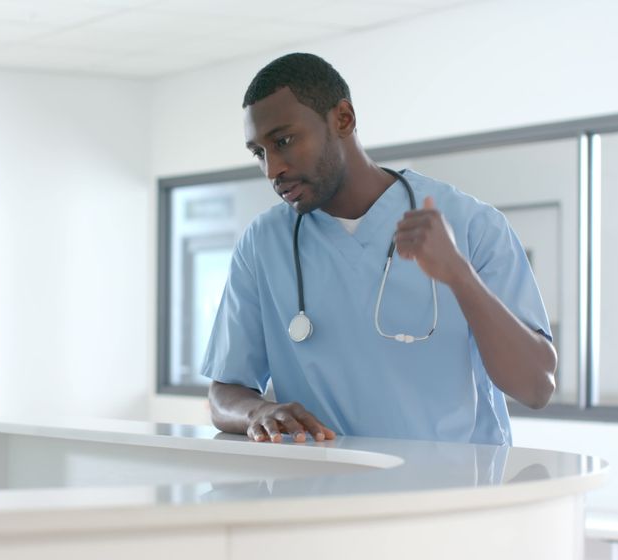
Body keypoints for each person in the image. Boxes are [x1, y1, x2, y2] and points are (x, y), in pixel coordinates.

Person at [201, 53, 556, 446]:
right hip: (320, 495)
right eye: (259, 153)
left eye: (284, 141)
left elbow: (536, 387)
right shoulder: (263, 244)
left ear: (343, 119)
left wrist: (458, 273)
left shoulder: (472, 224)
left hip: (455, 494)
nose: (272, 169)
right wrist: (259, 412)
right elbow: (223, 394)